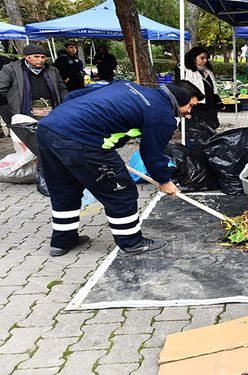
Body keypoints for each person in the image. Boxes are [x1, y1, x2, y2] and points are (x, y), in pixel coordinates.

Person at [36, 80, 204, 257]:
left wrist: (75, 120)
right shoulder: (162, 115)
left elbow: (73, 96)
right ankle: (132, 242)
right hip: (82, 141)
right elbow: (151, 153)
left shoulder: (127, 86)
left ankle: (62, 241)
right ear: (178, 102)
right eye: (190, 106)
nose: (189, 112)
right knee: (121, 192)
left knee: (64, 189)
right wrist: (164, 180)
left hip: (48, 129)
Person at [0, 44, 67, 120]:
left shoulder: (52, 70)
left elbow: (61, 89)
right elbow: (1, 89)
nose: (40, 60)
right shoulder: (12, 69)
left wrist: (64, 104)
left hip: (51, 112)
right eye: (36, 57)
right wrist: (13, 101)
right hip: (23, 114)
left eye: (43, 57)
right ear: (26, 57)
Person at [183, 46, 222, 131]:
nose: (205, 60)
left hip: (210, 108)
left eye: (206, 58)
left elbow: (213, 90)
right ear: (194, 58)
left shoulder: (208, 72)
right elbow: (183, 93)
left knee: (210, 132)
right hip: (196, 109)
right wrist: (186, 112)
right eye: (202, 58)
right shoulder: (186, 72)